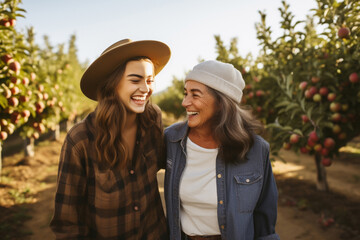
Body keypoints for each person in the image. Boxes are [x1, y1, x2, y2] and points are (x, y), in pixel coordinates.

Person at [50, 39, 171, 239]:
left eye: (149, 80)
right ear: (112, 84)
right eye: (135, 80)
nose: (145, 88)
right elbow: (67, 223)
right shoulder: (80, 140)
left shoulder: (153, 120)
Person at [164, 60, 280, 240]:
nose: (184, 102)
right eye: (185, 93)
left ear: (221, 102)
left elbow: (265, 217)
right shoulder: (172, 140)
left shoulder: (256, 149)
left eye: (195, 95)